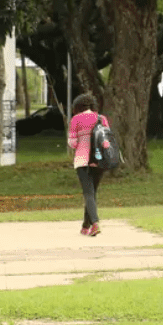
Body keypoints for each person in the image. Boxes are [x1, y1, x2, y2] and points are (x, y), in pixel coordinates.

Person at [66, 93, 107, 237]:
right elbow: (107, 139)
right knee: (92, 193)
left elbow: (72, 143)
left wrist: (81, 142)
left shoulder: (76, 119)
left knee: (88, 193)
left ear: (77, 107)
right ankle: (85, 226)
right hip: (100, 160)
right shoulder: (102, 118)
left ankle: (95, 223)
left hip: (82, 160)